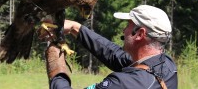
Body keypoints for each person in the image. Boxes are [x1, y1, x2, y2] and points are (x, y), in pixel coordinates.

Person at [39, 5, 178, 89]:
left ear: (140, 34)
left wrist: (57, 68)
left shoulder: (125, 84)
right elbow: (113, 54)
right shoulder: (166, 64)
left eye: (128, 26)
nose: (124, 31)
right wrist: (76, 28)